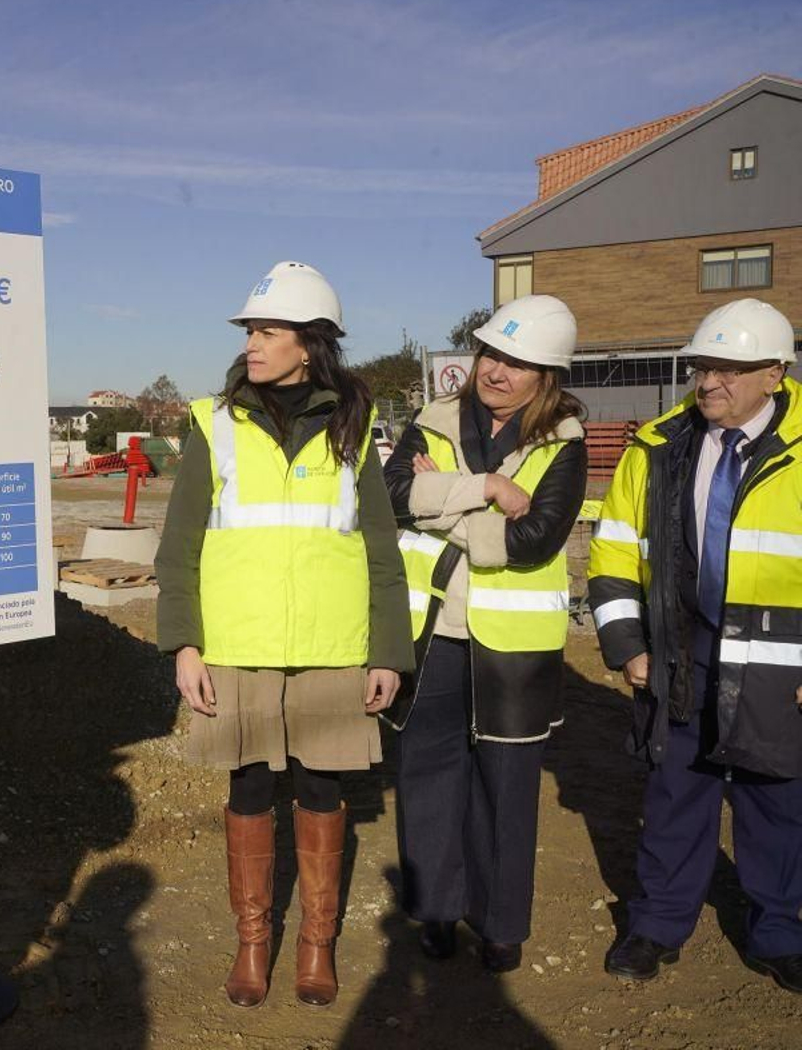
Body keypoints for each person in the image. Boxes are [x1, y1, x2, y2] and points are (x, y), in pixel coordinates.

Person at [155, 261, 411, 1009]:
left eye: (267, 330)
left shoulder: (354, 426)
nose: (252, 343)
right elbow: (180, 547)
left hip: (334, 649)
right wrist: (185, 645)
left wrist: (389, 652)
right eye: (251, 331)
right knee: (249, 786)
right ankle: (253, 940)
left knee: (324, 789)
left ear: (310, 344)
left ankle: (315, 943)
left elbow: (379, 549)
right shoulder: (214, 423)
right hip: (237, 646)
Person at [588, 298, 802, 993]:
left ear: (775, 373)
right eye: (704, 365)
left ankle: (780, 931)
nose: (709, 381)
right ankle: (658, 923)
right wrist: (627, 644)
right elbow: (614, 551)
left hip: (779, 662)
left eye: (731, 369)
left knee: (778, 800)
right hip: (682, 651)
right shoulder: (657, 447)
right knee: (677, 792)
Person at [382, 294, 587, 974]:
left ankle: (500, 922)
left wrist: (440, 498)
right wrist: (487, 486)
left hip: (513, 648)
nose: (497, 369)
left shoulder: (565, 442)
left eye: (518, 361)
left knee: (505, 785)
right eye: (493, 352)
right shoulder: (432, 419)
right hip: (431, 632)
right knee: (427, 776)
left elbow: (532, 540)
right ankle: (435, 909)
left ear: (546, 377)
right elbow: (388, 498)